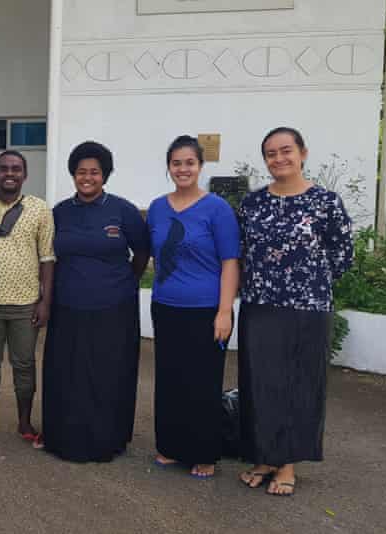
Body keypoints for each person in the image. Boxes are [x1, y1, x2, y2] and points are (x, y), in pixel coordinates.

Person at [237, 127, 353, 496]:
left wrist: (309, 281)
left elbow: (342, 254)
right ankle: (266, 456)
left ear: (302, 152)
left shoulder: (325, 202)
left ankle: (286, 464)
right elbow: (241, 253)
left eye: (286, 150)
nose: (279, 158)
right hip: (260, 306)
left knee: (298, 385)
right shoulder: (253, 204)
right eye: (271, 153)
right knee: (261, 384)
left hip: (308, 308)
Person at [40, 141, 149, 462]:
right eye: (81, 172)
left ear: (105, 175)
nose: (87, 178)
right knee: (68, 375)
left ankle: (108, 440)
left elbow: (142, 252)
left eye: (95, 172)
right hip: (68, 308)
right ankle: (63, 438)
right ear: (73, 175)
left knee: (108, 375)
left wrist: (126, 281)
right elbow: (49, 256)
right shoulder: (60, 212)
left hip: (114, 309)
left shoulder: (123, 210)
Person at [146, 136, 240, 478]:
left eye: (189, 162)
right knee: (170, 379)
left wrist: (224, 311)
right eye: (176, 163)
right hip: (167, 307)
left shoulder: (217, 209)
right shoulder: (158, 207)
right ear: (169, 167)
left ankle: (204, 452)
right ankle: (170, 446)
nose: (182, 169)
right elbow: (157, 254)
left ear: (200, 166)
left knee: (202, 382)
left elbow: (231, 262)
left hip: (206, 310)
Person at [0, 150, 55, 444]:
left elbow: (47, 259)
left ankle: (25, 423)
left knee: (25, 364)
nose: (9, 174)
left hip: (26, 303)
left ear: (25, 175)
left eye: (16, 169)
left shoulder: (40, 209)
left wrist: (45, 301)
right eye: (3, 169)